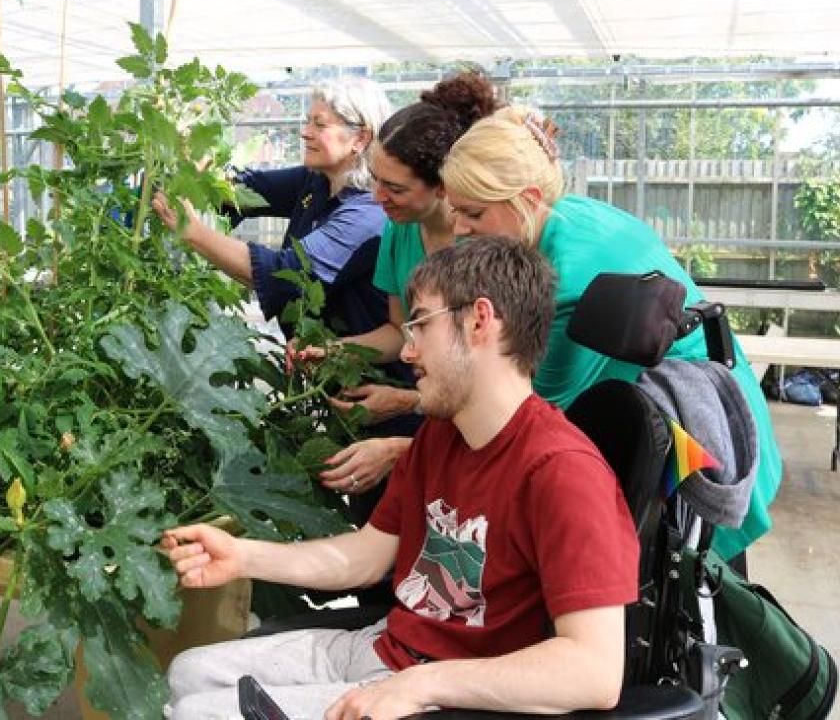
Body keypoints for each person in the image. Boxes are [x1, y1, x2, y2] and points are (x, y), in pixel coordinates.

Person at [162, 237, 639, 720]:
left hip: (450, 693)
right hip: (388, 649)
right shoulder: (441, 435)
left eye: (421, 325)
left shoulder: (562, 471)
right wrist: (241, 555)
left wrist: (423, 683)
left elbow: (594, 671)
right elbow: (367, 556)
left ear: (479, 320)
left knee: (201, 714)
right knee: (188, 673)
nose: (406, 350)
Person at [438, 105, 782, 562]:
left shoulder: (569, 279)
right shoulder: (563, 214)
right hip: (684, 397)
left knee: (691, 587)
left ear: (528, 196)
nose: (459, 228)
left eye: (473, 213)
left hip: (695, 434)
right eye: (455, 211)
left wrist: (417, 442)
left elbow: (533, 414)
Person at [153, 78, 418, 522]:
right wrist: (194, 171)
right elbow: (244, 189)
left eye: (319, 123)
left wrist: (193, 232)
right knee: (360, 503)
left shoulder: (368, 215)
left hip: (385, 392)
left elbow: (285, 275)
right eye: (306, 120)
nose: (305, 131)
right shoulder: (316, 183)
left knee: (386, 515)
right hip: (332, 377)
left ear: (361, 137)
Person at [301, 72, 500, 501]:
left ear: (443, 187)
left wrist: (407, 411)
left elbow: (499, 388)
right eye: (375, 179)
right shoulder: (400, 230)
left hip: (481, 420)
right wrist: (336, 352)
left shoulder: (486, 246)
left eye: (394, 188)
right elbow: (399, 331)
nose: (377, 197)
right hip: (435, 404)